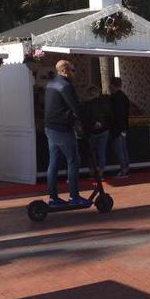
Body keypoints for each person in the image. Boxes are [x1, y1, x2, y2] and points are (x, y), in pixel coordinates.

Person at [44, 60, 90, 206]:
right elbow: (76, 107)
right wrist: (87, 123)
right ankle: (74, 197)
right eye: (73, 70)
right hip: (62, 129)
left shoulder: (50, 84)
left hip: (50, 128)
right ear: (65, 70)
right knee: (74, 160)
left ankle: (53, 198)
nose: (74, 73)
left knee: (54, 163)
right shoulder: (65, 86)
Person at [82, 85, 113, 178]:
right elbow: (110, 116)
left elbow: (85, 119)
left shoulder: (86, 104)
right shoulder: (104, 103)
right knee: (101, 152)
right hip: (104, 131)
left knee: (92, 152)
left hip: (92, 131)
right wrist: (105, 125)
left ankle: (92, 171)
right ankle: (101, 172)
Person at [108, 77, 131, 178]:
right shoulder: (124, 97)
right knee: (124, 149)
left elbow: (118, 114)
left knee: (120, 150)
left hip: (117, 128)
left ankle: (123, 169)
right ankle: (126, 168)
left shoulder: (115, 98)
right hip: (123, 127)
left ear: (112, 85)